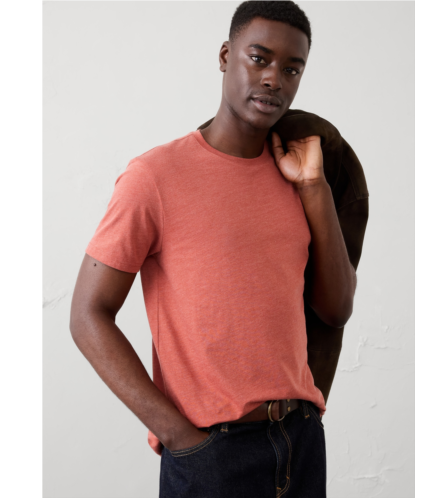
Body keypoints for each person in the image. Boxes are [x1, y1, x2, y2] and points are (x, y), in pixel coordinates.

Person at [70, 1, 359, 496]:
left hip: (301, 439)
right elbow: (87, 314)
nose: (273, 79)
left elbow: (336, 309)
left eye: (292, 69)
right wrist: (178, 436)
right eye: (259, 58)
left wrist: (314, 187)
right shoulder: (155, 177)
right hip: (212, 453)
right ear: (226, 56)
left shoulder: (300, 175)